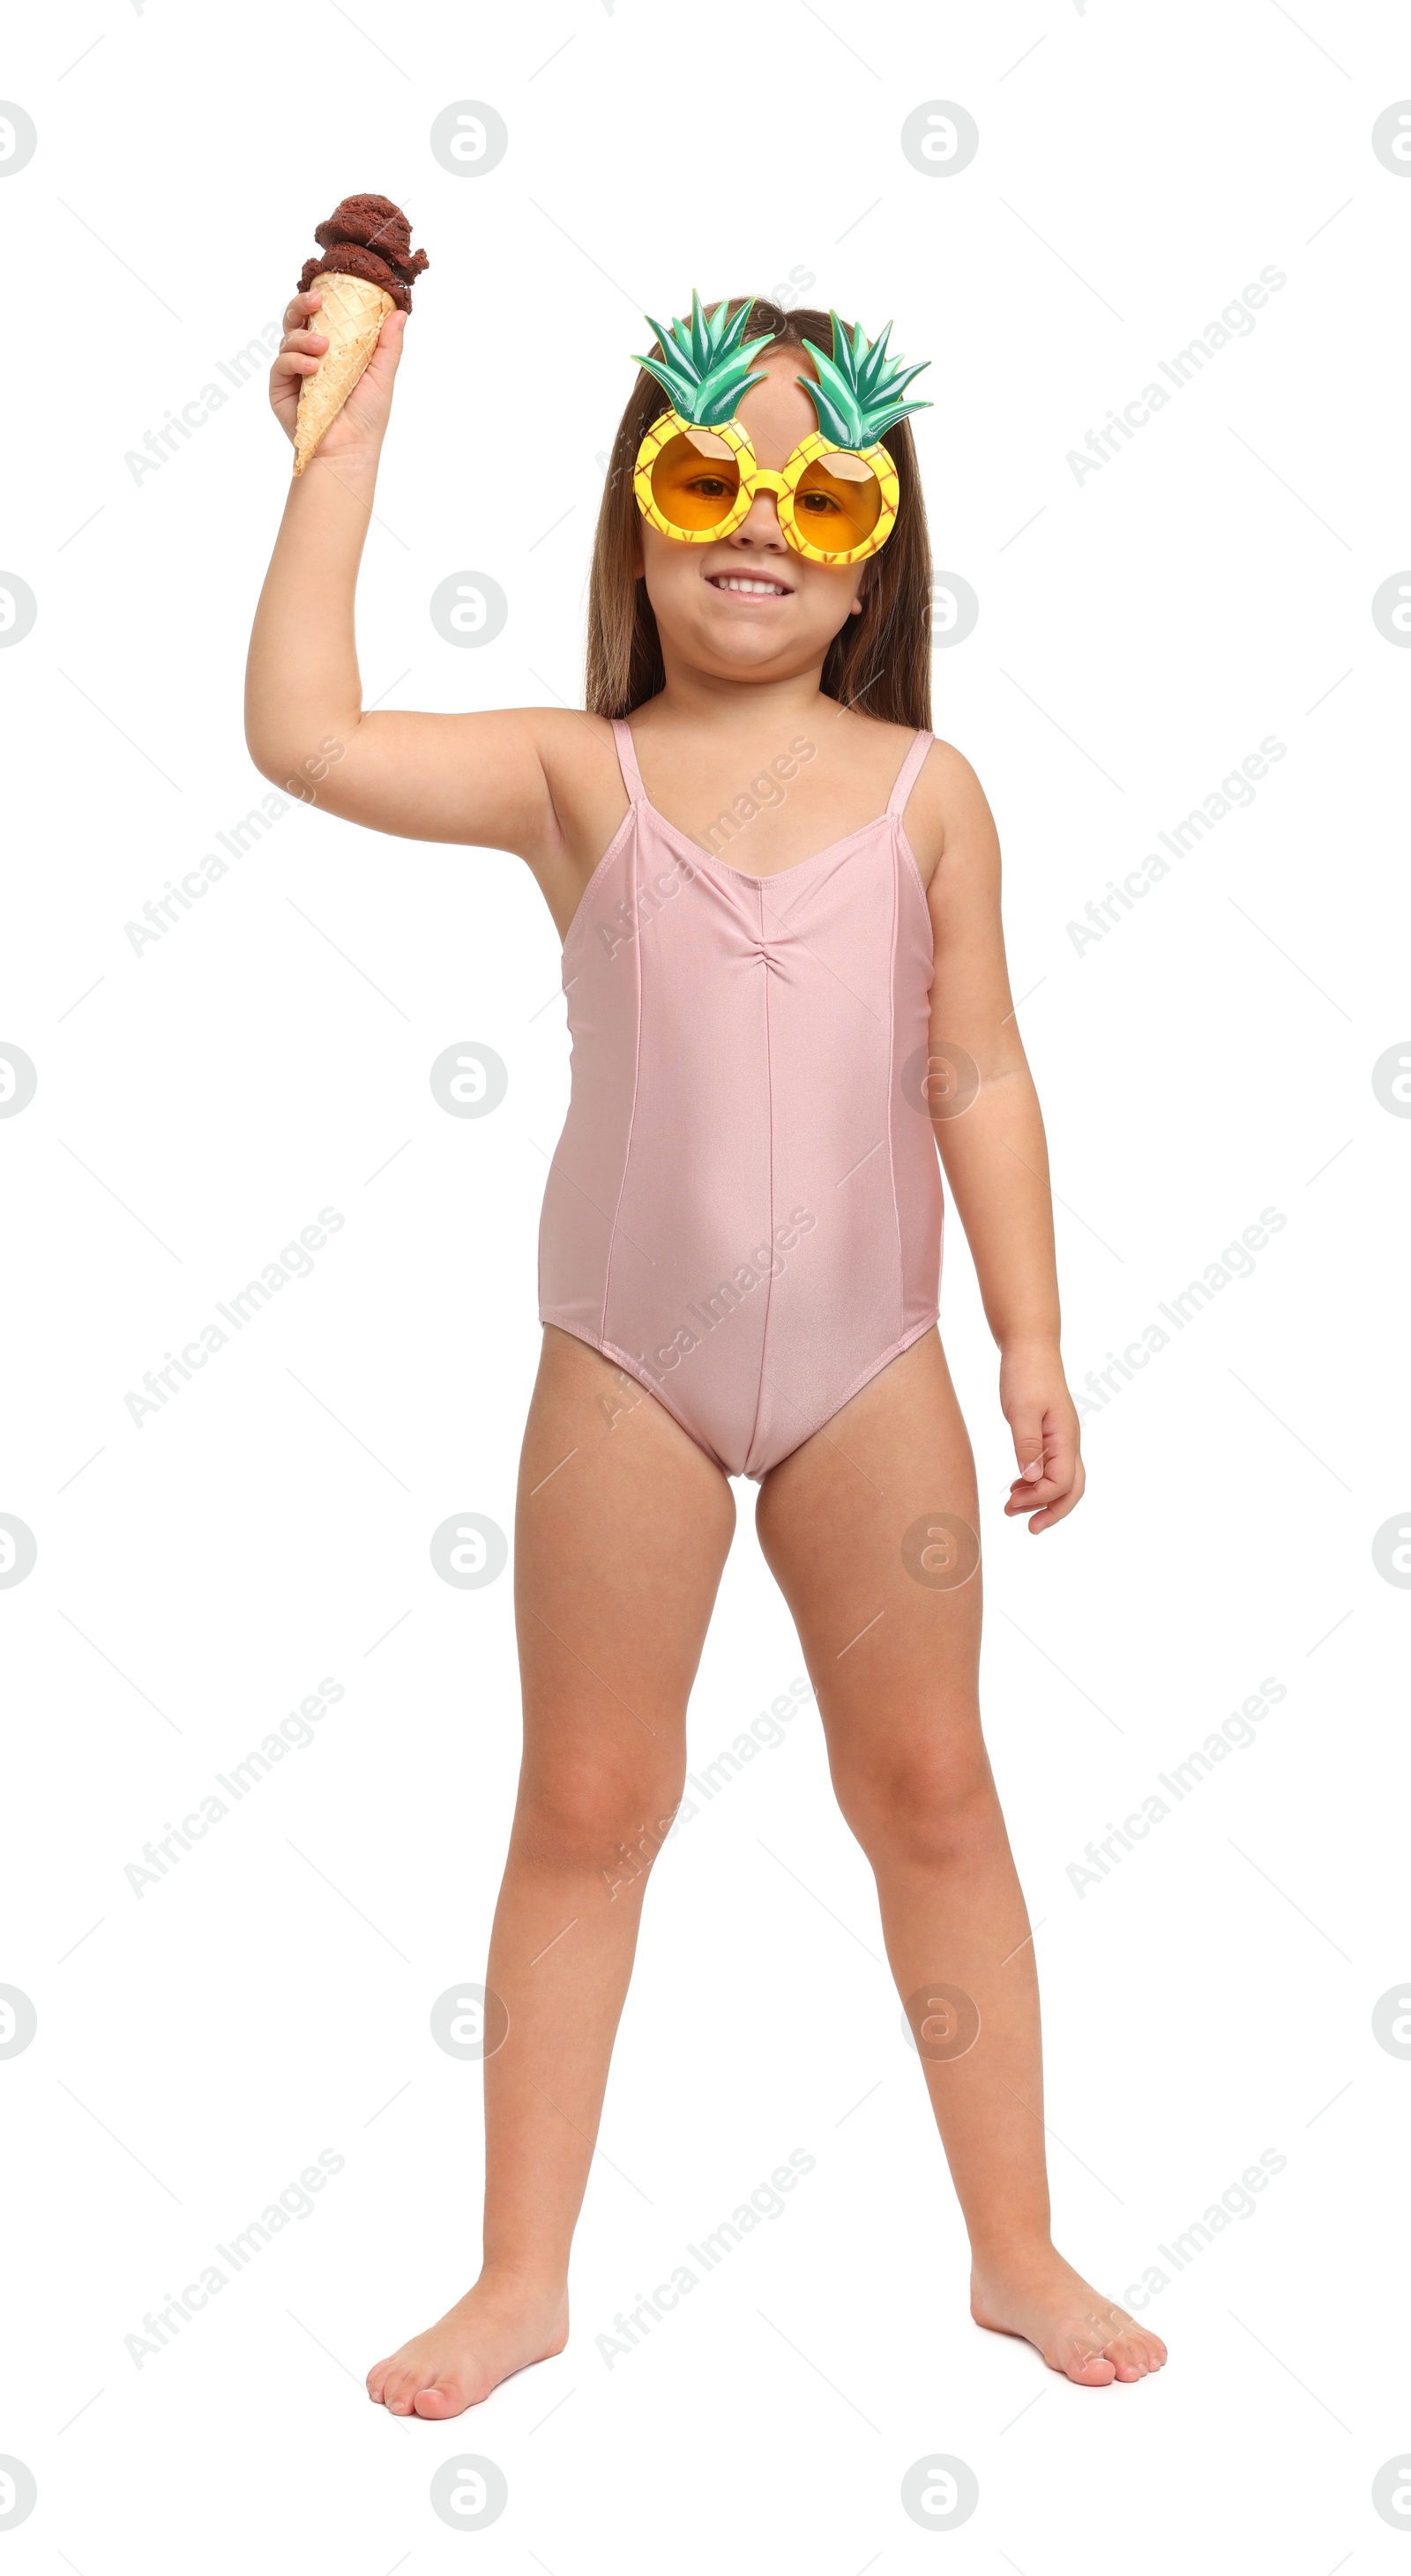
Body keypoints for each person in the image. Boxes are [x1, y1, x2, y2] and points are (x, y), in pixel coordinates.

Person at [246, 283, 1167, 2414]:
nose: (756, 522)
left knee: (930, 1791)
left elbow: (980, 1073)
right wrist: (339, 455)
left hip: (878, 1373)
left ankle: (1012, 2247)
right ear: (637, 515)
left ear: (871, 549)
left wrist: (1031, 1335)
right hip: (622, 1381)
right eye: (703, 476)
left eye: (815, 487)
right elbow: (305, 740)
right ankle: (519, 2274)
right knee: (583, 1797)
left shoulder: (931, 790)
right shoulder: (580, 776)